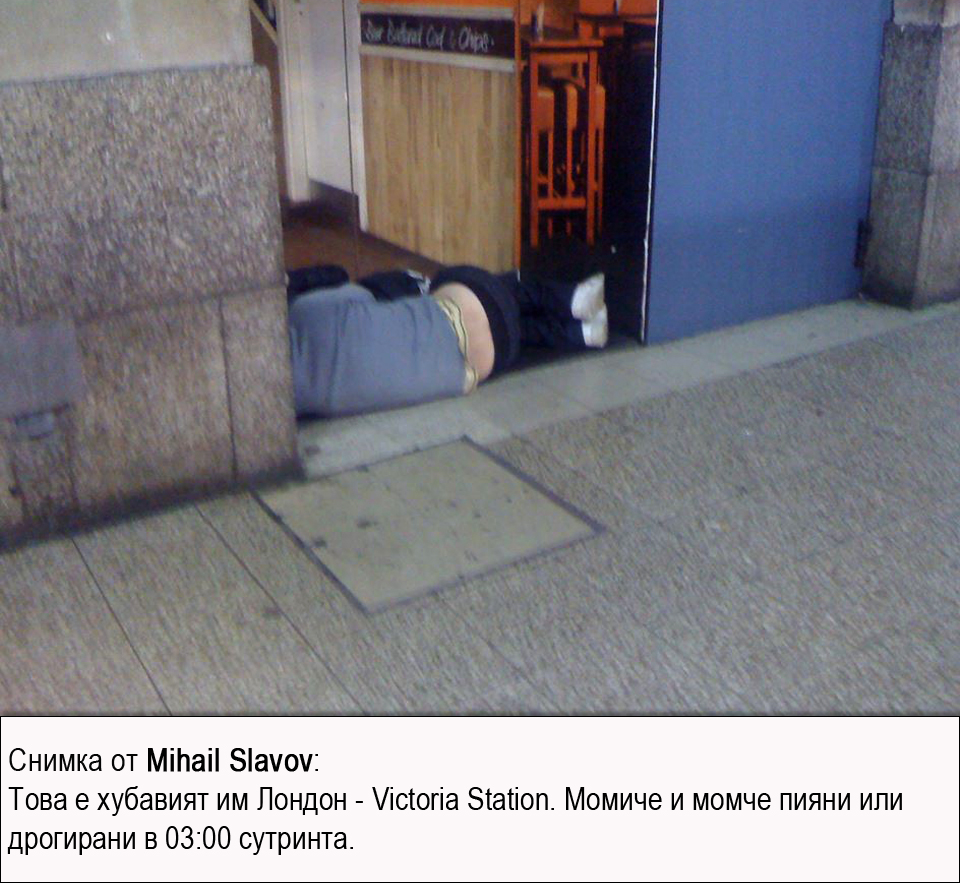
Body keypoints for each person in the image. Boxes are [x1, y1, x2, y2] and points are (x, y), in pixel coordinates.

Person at [287, 264, 608, 418]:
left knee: (508, 330)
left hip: (486, 365)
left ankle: (582, 335)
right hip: (474, 312)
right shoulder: (305, 313)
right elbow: (353, 286)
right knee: (456, 281)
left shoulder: (298, 401)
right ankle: (574, 299)